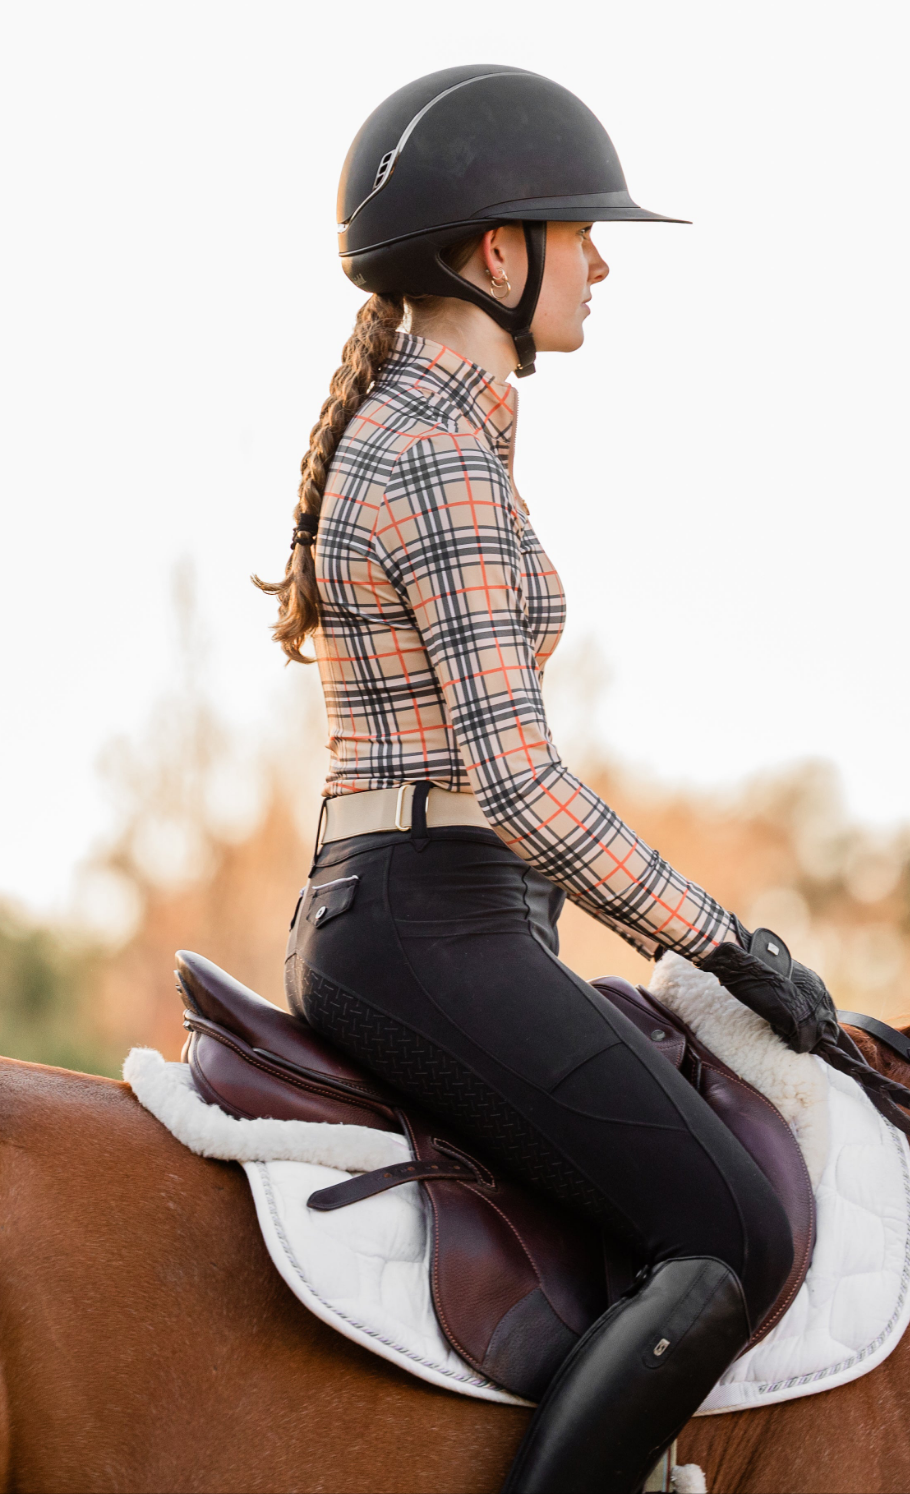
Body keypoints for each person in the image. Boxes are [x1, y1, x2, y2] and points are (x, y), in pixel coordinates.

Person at [257, 65, 837, 1494]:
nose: (603, 260)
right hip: (427, 920)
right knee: (738, 1233)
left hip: (448, 916)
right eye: (581, 230)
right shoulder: (441, 455)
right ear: (496, 252)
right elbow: (517, 782)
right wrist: (723, 941)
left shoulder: (445, 433)